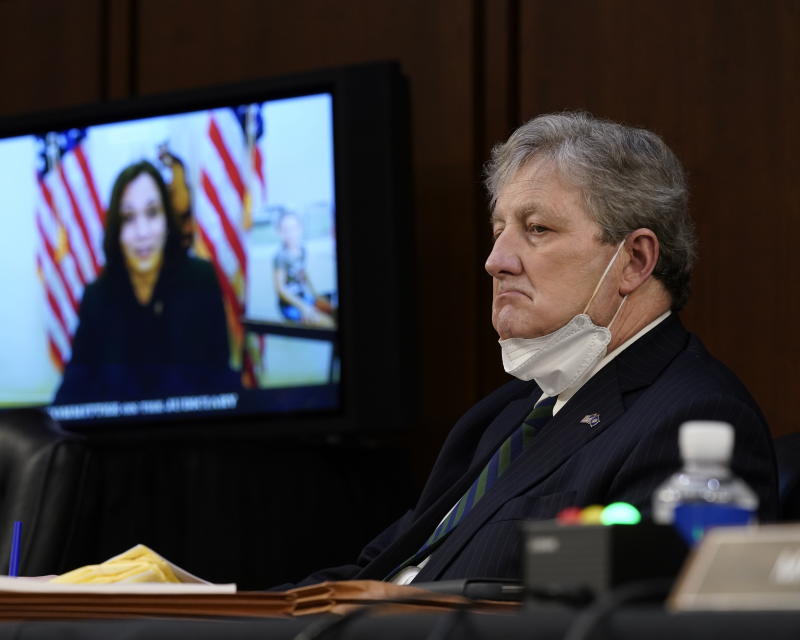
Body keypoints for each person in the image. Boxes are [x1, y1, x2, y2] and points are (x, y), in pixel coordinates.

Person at [292, 112, 779, 585]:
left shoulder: (694, 416)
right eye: (498, 230)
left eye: (537, 229)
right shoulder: (503, 416)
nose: (495, 261)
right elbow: (374, 573)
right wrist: (225, 609)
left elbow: (631, 613)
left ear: (634, 260)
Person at [54, 160, 239, 404]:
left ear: (167, 221)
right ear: (116, 230)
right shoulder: (96, 296)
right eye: (129, 218)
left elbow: (220, 378)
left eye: (152, 213)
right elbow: (74, 387)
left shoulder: (201, 279)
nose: (142, 233)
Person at [272, 209, 335, 328]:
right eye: (286, 230)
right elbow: (280, 290)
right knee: (328, 324)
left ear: (300, 228)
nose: (291, 233)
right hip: (290, 305)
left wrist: (315, 294)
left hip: (305, 298)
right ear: (280, 233)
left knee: (332, 310)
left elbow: (303, 273)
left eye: (294, 228)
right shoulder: (280, 257)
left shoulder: (302, 250)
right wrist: (303, 307)